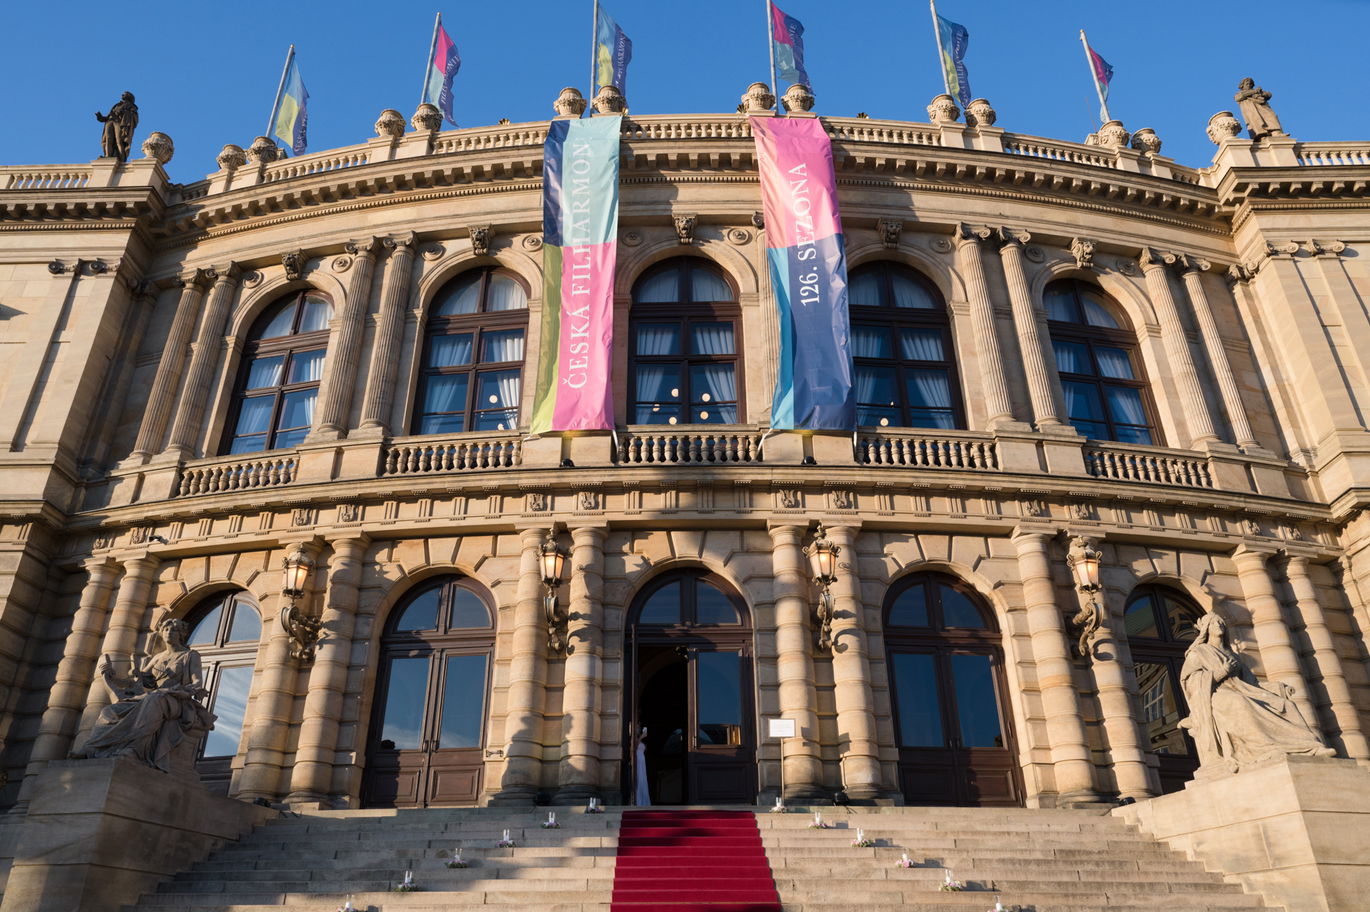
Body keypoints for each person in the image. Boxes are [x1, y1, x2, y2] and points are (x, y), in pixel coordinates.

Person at [1179, 613, 1332, 775]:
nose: (1220, 626)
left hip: (1244, 690)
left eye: (1221, 623)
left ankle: (1310, 746)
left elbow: (1253, 684)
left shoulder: (1233, 655)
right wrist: (1221, 672)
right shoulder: (1199, 653)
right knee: (1241, 703)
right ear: (1206, 629)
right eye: (1215, 624)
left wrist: (1277, 689)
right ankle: (1268, 747)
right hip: (1217, 695)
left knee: (1286, 704)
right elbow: (1191, 683)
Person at [74, 617, 215, 772]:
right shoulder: (157, 658)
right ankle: (93, 747)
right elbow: (137, 683)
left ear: (181, 634)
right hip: (152, 697)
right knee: (110, 711)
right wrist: (111, 677)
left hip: (175, 700)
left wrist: (181, 691)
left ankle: (134, 749)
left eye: (174, 630)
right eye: (166, 629)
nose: (169, 632)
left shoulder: (190, 655)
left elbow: (196, 683)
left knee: (153, 700)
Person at [95, 92, 139, 162]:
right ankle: (107, 156)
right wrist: (100, 117)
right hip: (109, 122)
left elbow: (134, 117)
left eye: (124, 94)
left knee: (119, 141)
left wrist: (124, 114)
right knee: (108, 140)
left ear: (129, 97)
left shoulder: (130, 106)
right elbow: (108, 116)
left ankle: (121, 158)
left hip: (119, 123)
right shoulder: (117, 105)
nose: (122, 95)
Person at [633, 726, 650, 806]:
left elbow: (645, 749)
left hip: (642, 760)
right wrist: (641, 737)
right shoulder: (634, 738)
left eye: (639, 728)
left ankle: (644, 800)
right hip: (637, 760)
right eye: (637, 727)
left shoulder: (641, 738)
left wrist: (643, 738)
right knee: (639, 778)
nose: (638, 729)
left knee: (643, 778)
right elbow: (634, 747)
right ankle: (637, 800)